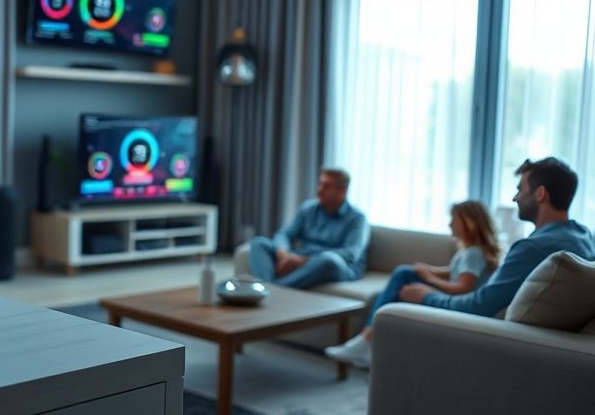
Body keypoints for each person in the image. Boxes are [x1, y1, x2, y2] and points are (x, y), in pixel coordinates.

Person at [398, 157, 595, 315]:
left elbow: (478, 306)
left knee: (406, 284)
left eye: (520, 189)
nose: (515, 197)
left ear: (540, 194)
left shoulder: (533, 248)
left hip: (483, 333)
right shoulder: (585, 237)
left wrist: (427, 296)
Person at [325, 200, 500, 367]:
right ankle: (371, 346)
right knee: (402, 279)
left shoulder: (472, 254)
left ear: (469, 223)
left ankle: (365, 341)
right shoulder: (473, 252)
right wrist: (428, 269)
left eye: (454, 220)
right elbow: (455, 271)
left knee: (403, 275)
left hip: (457, 305)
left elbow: (464, 288)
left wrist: (429, 278)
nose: (450, 224)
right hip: (456, 300)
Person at [247, 168, 369, 289]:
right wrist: (283, 253)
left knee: (329, 260)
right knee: (259, 243)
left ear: (342, 192)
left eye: (326, 186)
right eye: (320, 184)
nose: (320, 190)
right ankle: (268, 285)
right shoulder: (308, 209)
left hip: (335, 266)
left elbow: (351, 254)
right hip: (301, 259)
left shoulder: (357, 218)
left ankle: (275, 289)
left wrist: (302, 261)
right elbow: (285, 234)